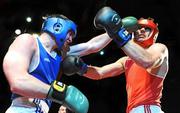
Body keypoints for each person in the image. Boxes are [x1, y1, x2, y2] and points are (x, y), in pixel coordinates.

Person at [62, 6, 168, 113]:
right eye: (138, 28)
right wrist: (81, 67)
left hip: (148, 108)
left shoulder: (159, 48)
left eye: (147, 29)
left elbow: (147, 61)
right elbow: (100, 73)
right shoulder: (126, 61)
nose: (141, 31)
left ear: (154, 35)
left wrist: (118, 31)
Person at [2, 14, 89, 113]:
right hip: (23, 109)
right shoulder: (27, 40)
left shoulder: (58, 57)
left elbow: (91, 46)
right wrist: (62, 94)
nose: (70, 40)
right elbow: (18, 82)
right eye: (70, 34)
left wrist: (110, 30)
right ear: (58, 27)